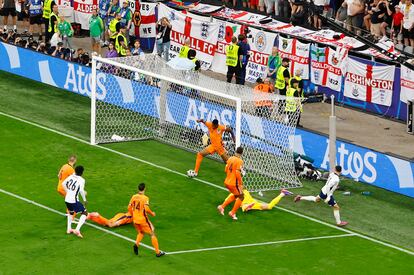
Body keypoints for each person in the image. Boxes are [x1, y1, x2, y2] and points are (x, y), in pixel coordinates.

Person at [128, 183, 165, 257]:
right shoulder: (145, 198)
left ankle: (136, 244)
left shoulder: (133, 197)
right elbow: (147, 209)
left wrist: (133, 215)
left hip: (135, 220)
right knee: (152, 234)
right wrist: (152, 214)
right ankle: (158, 252)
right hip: (143, 220)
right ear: (144, 189)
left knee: (141, 232)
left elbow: (129, 208)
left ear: (138, 188)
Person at [217, 146, 245, 220]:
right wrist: (241, 184)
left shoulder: (230, 158)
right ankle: (232, 212)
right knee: (241, 196)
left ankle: (222, 207)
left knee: (236, 195)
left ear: (235, 151)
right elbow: (237, 173)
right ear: (241, 153)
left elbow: (226, 169)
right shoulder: (240, 161)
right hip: (233, 183)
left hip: (227, 182)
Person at [62, 165, 88, 238]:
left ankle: (69, 229)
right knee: (85, 213)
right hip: (74, 200)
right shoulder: (82, 180)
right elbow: (81, 191)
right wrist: (85, 200)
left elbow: (63, 184)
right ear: (82, 172)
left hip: (67, 199)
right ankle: (77, 229)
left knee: (71, 213)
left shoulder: (71, 176)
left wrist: (68, 192)